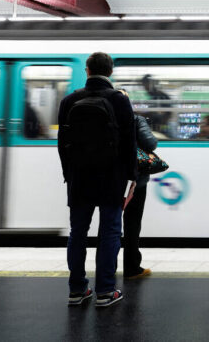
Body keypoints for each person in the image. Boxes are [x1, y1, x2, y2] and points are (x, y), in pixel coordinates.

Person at [58, 52, 137, 308]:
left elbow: (62, 144)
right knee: (110, 231)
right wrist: (132, 178)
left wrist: (68, 174)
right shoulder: (119, 100)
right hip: (111, 178)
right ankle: (105, 291)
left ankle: (77, 289)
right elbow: (129, 143)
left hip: (79, 177)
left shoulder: (70, 100)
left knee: (77, 232)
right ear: (111, 72)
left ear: (87, 70)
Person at [119, 89, 157, 279]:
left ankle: (106, 269)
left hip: (110, 180)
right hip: (135, 181)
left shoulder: (104, 121)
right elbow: (150, 143)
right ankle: (132, 267)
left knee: (110, 224)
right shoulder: (135, 120)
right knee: (132, 223)